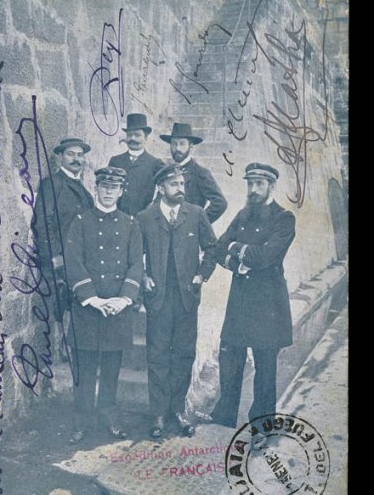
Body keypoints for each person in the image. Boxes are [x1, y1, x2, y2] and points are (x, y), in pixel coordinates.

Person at [211, 162, 296, 429]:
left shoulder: (284, 218)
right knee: (230, 360)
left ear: (272, 186)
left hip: (268, 303)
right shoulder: (243, 215)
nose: (254, 189)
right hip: (240, 300)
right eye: (250, 184)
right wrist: (237, 263)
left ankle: (263, 424)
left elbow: (265, 257)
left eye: (259, 184)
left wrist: (236, 246)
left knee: (265, 367)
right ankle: (224, 417)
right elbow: (218, 248)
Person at [137, 164, 217, 439]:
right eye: (174, 184)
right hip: (158, 297)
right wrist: (143, 276)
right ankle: (158, 413)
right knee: (157, 355)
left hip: (186, 297)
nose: (180, 189)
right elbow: (134, 254)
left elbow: (212, 248)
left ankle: (178, 410)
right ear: (161, 188)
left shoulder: (195, 214)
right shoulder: (145, 217)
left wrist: (201, 275)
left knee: (183, 354)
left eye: (182, 184)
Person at [64, 167, 143, 444]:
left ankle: (109, 416)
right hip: (88, 306)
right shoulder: (80, 221)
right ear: (96, 188)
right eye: (104, 186)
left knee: (111, 368)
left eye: (114, 187)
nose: (109, 191)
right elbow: (73, 260)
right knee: (84, 369)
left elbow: (136, 263)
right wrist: (93, 299)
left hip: (117, 308)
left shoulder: (131, 224)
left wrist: (123, 299)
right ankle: (81, 421)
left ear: (121, 192)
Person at [32, 137, 94, 322]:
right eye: (70, 154)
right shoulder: (53, 183)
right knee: (55, 317)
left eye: (80, 155)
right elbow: (42, 222)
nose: (76, 159)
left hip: (78, 261)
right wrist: (54, 254)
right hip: (58, 264)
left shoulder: (82, 188)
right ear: (60, 157)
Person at [159, 122, 227, 223]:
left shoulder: (200, 173)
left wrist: (198, 223)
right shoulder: (167, 171)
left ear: (191, 146)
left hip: (188, 231)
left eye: (182, 143)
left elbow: (220, 203)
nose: (177, 148)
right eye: (174, 143)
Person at [109, 113, 164, 216]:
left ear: (146, 138)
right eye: (129, 135)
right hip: (117, 216)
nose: (132, 138)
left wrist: (153, 206)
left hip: (142, 218)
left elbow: (165, 188)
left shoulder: (155, 163)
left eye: (137, 135)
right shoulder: (115, 161)